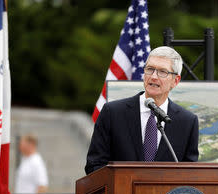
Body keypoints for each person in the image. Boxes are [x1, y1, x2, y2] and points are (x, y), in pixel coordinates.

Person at [85, 46, 199, 175]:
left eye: (162, 72)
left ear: (175, 81)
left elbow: (190, 174)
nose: (154, 76)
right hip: (121, 193)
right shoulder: (113, 113)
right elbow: (94, 165)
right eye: (150, 69)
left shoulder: (187, 121)